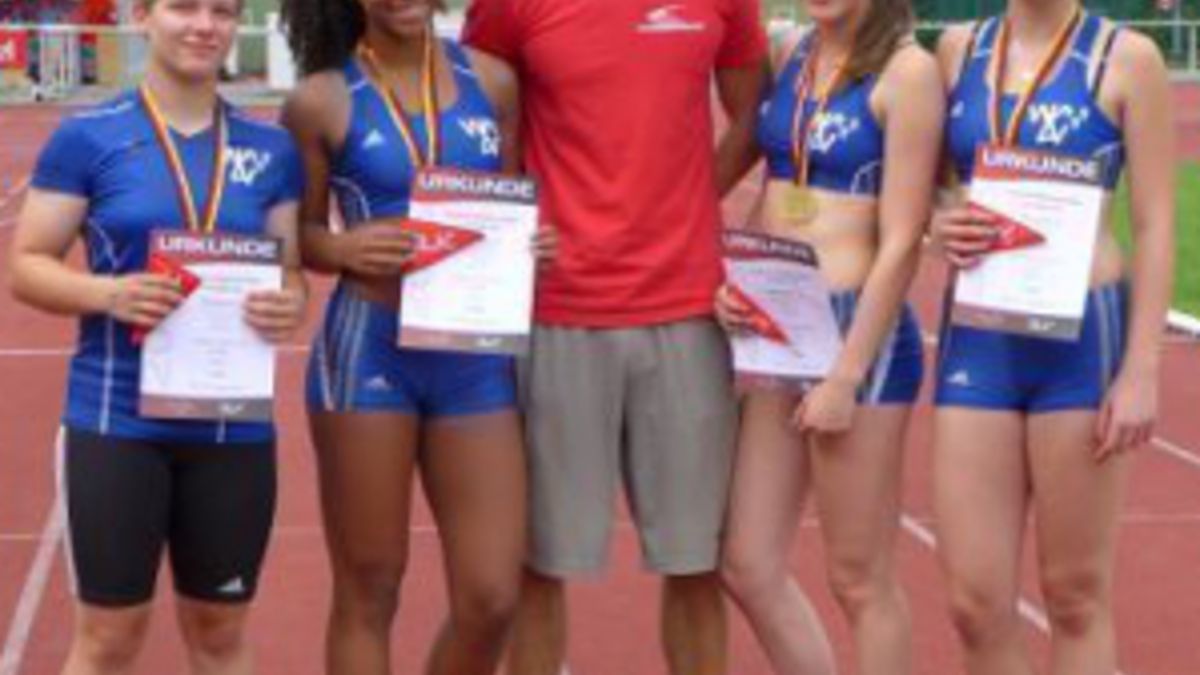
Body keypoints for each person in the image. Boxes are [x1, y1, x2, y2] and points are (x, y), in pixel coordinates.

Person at [461, 1, 769, 673]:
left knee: (695, 560)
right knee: (540, 562)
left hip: (688, 308)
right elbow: (478, 119)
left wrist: (696, 194)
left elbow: (755, 114)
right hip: (556, 309)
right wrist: (510, 223)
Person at [8, 0, 307, 672]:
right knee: (109, 638)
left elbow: (288, 270)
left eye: (223, 12)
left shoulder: (271, 149)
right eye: (183, 7)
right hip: (116, 420)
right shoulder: (88, 136)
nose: (204, 25)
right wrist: (108, 293)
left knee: (220, 632)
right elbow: (27, 265)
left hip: (232, 425)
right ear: (142, 16)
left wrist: (290, 302)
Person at [279, 0, 549, 672]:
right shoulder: (321, 100)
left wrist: (530, 242)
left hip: (471, 357)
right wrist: (341, 247)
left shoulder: (493, 81)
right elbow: (296, 235)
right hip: (370, 350)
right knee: (369, 588)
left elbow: (511, 200)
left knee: (492, 596)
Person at [932, 0, 1175, 672]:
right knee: (975, 604)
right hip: (979, 338)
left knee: (1074, 597)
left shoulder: (1127, 58)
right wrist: (938, 220)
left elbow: (1155, 225)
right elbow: (931, 186)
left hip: (1081, 344)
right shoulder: (957, 50)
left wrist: (1142, 368)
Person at [714, 1, 942, 674]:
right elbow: (774, 182)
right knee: (748, 562)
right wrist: (737, 274)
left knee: (859, 577)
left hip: (853, 330)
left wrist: (846, 374)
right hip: (779, 322)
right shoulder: (789, 53)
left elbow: (903, 240)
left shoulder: (907, 72)